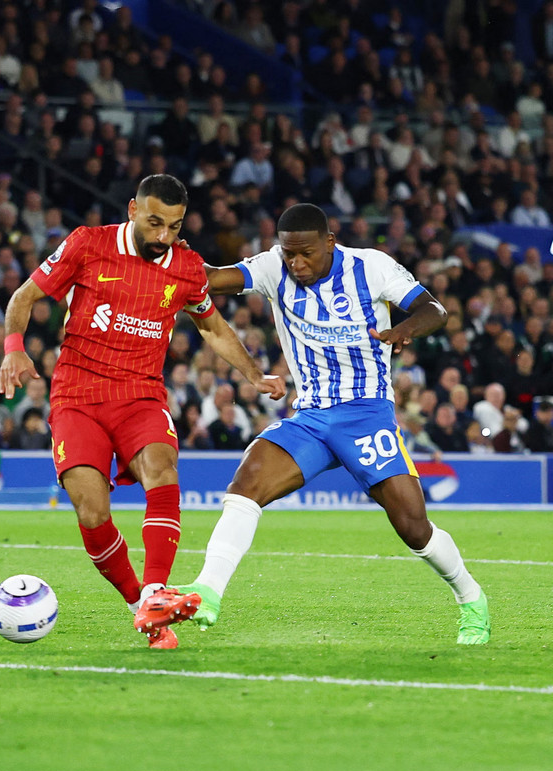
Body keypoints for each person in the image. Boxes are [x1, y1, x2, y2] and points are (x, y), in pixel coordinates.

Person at [177, 203, 490, 645]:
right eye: (289, 254)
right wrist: (182, 259)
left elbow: (434, 309)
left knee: (413, 527)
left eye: (305, 253)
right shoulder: (272, 267)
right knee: (246, 483)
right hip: (311, 416)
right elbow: (211, 278)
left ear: (329, 242)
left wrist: (406, 330)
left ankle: (471, 598)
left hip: (366, 413)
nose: (296, 263)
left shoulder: (372, 267)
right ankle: (207, 591)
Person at [0, 174, 284, 649]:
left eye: (173, 227)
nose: (163, 237)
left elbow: (212, 328)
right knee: (91, 511)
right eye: (154, 223)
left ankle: (156, 590)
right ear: (132, 209)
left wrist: (254, 375)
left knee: (162, 470)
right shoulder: (87, 245)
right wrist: (13, 348)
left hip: (141, 395)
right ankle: (140, 605)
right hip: (77, 395)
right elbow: (23, 297)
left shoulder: (187, 267)